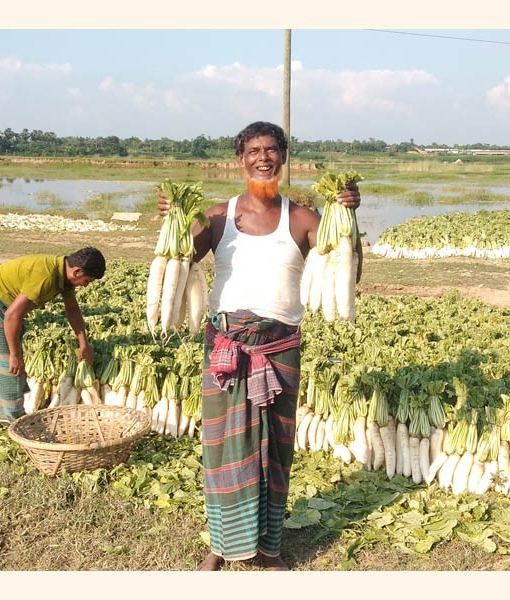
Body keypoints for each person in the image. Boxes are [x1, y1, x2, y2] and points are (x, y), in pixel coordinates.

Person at [158, 121, 361, 571]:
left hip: (280, 346)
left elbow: (348, 273)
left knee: (275, 448)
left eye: (271, 149)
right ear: (240, 159)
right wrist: (174, 221)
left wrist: (350, 218)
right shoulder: (217, 216)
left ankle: (269, 547)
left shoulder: (305, 219)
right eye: (253, 150)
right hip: (226, 348)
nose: (263, 157)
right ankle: (221, 544)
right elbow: (183, 260)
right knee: (221, 448)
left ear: (284, 157)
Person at [0, 247, 106, 423]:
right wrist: (15, 355)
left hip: (7, 306)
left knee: (0, 359)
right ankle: (16, 421)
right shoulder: (46, 275)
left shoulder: (64, 277)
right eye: (87, 281)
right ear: (77, 271)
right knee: (8, 363)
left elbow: (72, 310)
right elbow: (12, 316)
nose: (86, 285)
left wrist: (84, 344)